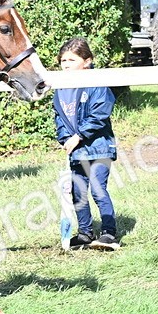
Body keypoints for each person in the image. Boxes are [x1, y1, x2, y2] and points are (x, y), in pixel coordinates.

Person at [53, 37, 119, 251]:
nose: (66, 65)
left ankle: (109, 233)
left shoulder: (96, 83)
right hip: (77, 151)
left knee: (98, 189)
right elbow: (59, 117)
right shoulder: (61, 88)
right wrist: (65, 138)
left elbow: (100, 113)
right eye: (63, 61)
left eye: (71, 60)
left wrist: (78, 136)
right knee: (78, 192)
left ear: (87, 61)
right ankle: (85, 233)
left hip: (99, 147)